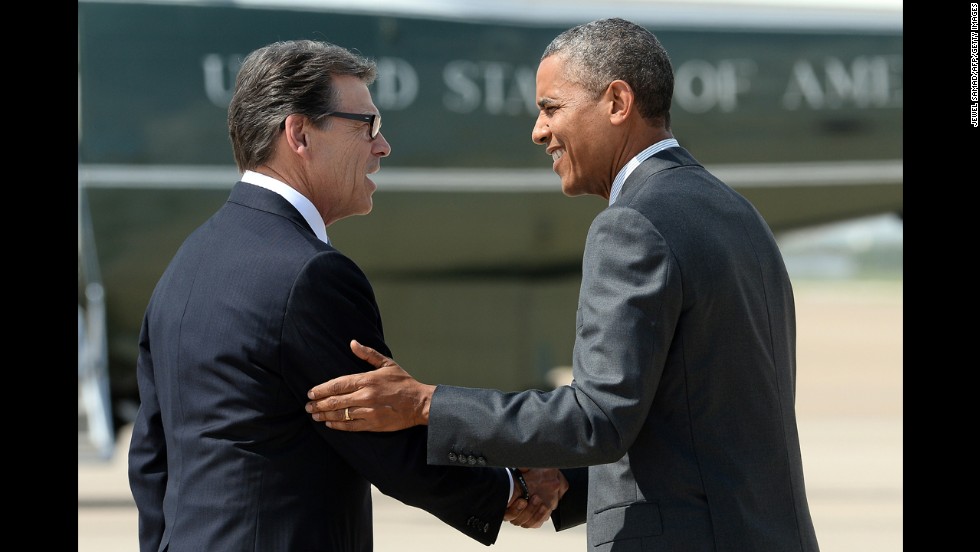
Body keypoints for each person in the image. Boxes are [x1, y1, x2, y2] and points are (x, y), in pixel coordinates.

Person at [306, 18, 821, 551]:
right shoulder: (737, 213)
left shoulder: (633, 224)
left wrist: (427, 404)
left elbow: (598, 416)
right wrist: (564, 479)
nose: (537, 130)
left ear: (617, 102)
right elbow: (690, 413)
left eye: (552, 108)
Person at [127, 39, 565, 552]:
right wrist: (511, 488)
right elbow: (382, 436)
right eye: (368, 126)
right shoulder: (310, 275)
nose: (383, 146)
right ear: (300, 133)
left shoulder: (186, 264)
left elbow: (150, 457)